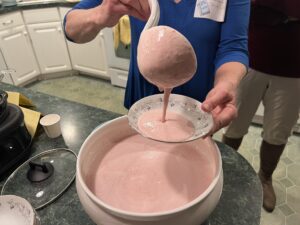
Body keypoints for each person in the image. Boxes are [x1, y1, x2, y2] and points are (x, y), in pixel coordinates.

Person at [64, 0, 250, 134]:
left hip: (198, 105)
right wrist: (99, 14)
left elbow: (233, 47)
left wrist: (226, 83)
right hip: (145, 95)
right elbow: (71, 29)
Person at [222, 0, 300, 212]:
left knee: (278, 132)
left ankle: (265, 178)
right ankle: (225, 171)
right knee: (233, 122)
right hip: (249, 59)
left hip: (294, 70)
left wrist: (275, 12)